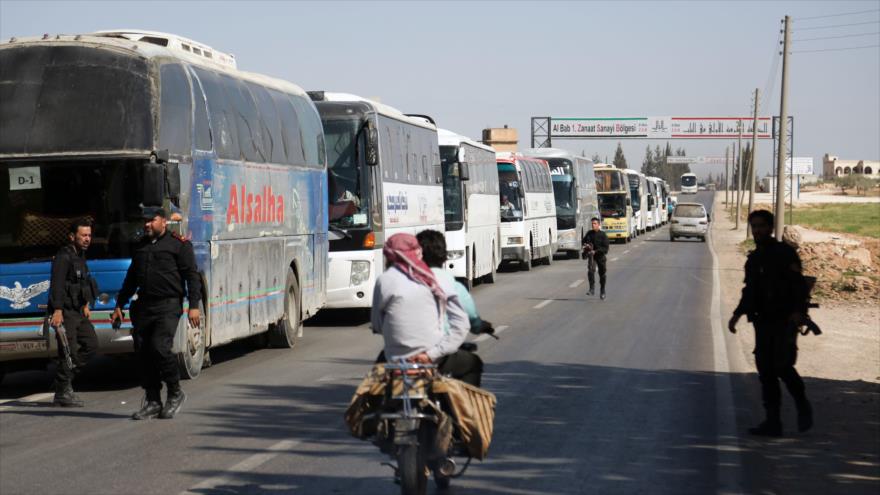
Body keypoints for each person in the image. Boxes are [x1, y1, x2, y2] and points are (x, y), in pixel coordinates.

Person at [112, 207, 202, 420]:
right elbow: (131, 278)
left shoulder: (179, 245)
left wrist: (194, 305)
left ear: (163, 221)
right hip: (144, 307)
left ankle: (175, 392)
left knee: (160, 347)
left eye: (151, 220)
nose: (147, 224)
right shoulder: (141, 247)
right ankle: (153, 400)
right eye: (144, 221)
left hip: (169, 306)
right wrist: (119, 305)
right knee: (143, 352)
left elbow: (192, 276)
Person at [729, 209, 812, 437]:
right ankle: (773, 421)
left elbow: (799, 287)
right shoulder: (754, 259)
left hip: (785, 320)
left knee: (783, 366)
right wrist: (737, 314)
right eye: (754, 226)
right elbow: (750, 291)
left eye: (761, 226)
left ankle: (802, 404)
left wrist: (798, 312)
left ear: (770, 228)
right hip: (763, 321)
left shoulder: (785, 254)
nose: (757, 230)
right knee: (765, 371)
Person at [371, 233, 481, 387]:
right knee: (473, 364)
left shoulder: (384, 280)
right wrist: (429, 355)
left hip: (395, 359)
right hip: (434, 357)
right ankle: (466, 410)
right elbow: (462, 324)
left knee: (374, 384)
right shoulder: (434, 279)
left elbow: (377, 324)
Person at [47, 218, 99, 407]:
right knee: (67, 352)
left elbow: (82, 282)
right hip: (66, 312)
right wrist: (58, 310)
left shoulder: (80, 255)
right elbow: (57, 284)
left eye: (89, 235)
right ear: (72, 236)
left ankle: (62, 381)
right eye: (83, 235)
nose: (87, 239)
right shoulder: (64, 256)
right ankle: (63, 391)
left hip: (78, 311)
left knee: (92, 345)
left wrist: (85, 304)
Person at [415, 229, 493, 335]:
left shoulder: (403, 282)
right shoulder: (453, 286)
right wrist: (479, 325)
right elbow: (471, 317)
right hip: (441, 345)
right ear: (444, 257)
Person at [582, 217, 610, 299]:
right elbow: (583, 242)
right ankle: (592, 289)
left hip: (600, 256)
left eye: (595, 224)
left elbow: (606, 248)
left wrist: (596, 251)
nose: (593, 225)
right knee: (590, 271)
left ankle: (602, 290)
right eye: (592, 224)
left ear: (598, 225)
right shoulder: (589, 233)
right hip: (592, 256)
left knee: (602, 274)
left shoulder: (603, 235)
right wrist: (586, 246)